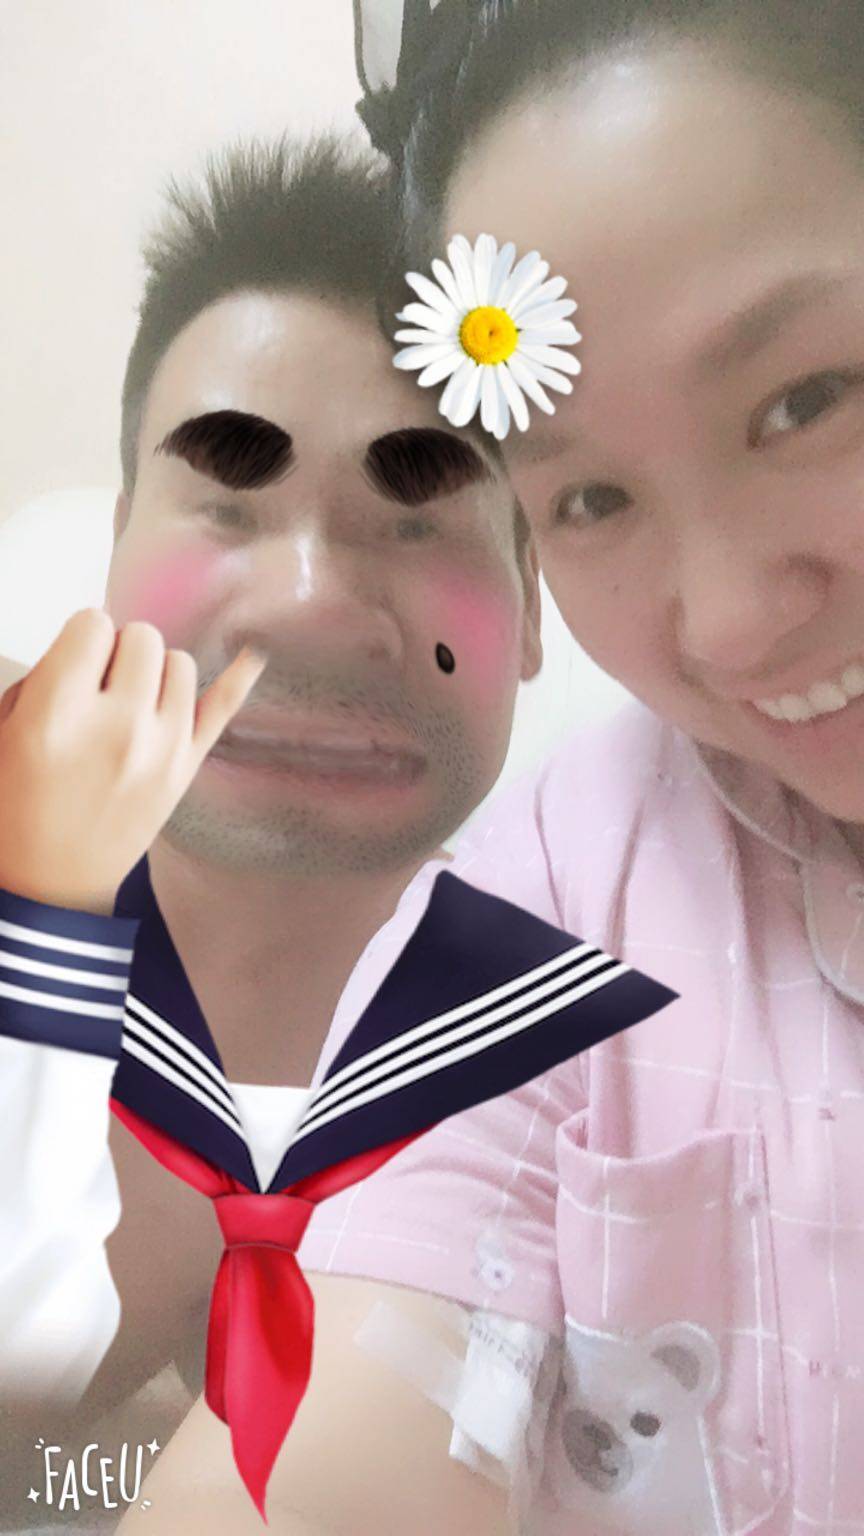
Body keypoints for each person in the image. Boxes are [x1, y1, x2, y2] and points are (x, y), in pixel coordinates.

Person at [0, 134, 673, 1535]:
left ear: (533, 605)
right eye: (226, 505)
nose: (309, 602)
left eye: (416, 524)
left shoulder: (591, 1059)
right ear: (116, 545)